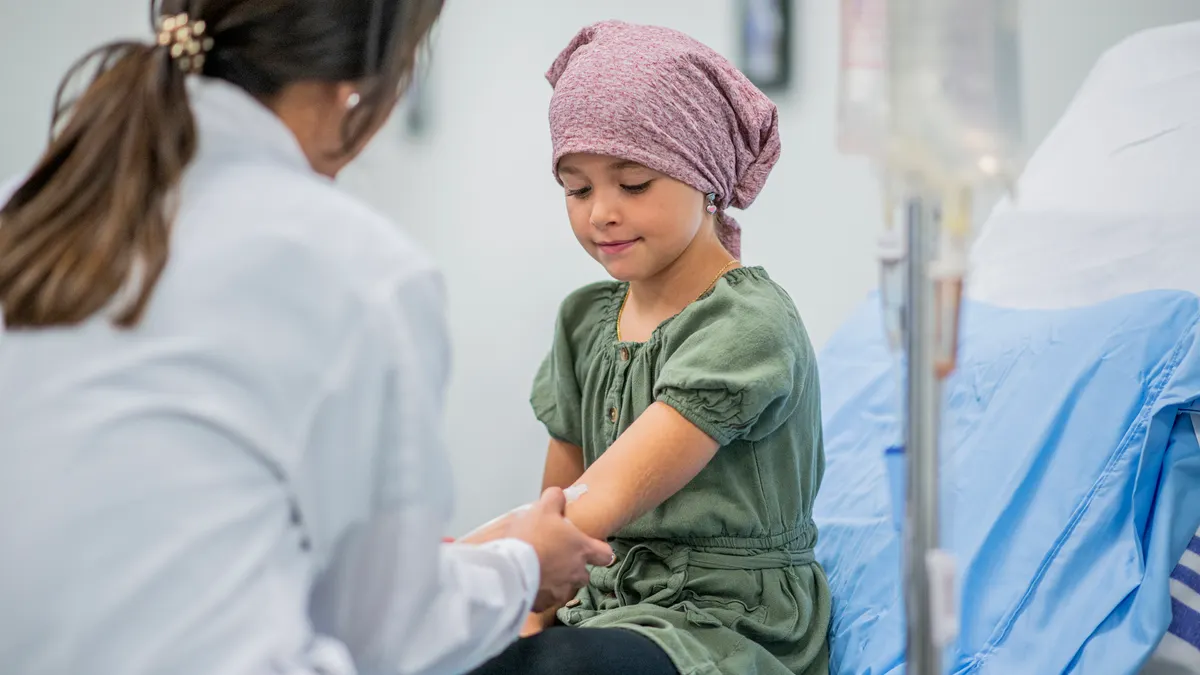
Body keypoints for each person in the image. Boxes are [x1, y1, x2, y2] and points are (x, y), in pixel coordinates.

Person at [0, 2, 611, 675]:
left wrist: (495, 559)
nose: (605, 214)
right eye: (577, 187)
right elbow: (392, 633)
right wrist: (523, 567)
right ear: (367, 78)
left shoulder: (25, 211)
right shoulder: (356, 268)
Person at [469, 20, 831, 675]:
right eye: (576, 188)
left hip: (724, 625)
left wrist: (444, 565)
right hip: (607, 610)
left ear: (704, 174)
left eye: (632, 183)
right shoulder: (584, 321)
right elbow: (556, 515)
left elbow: (593, 503)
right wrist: (521, 621)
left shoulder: (747, 323)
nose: (599, 212)